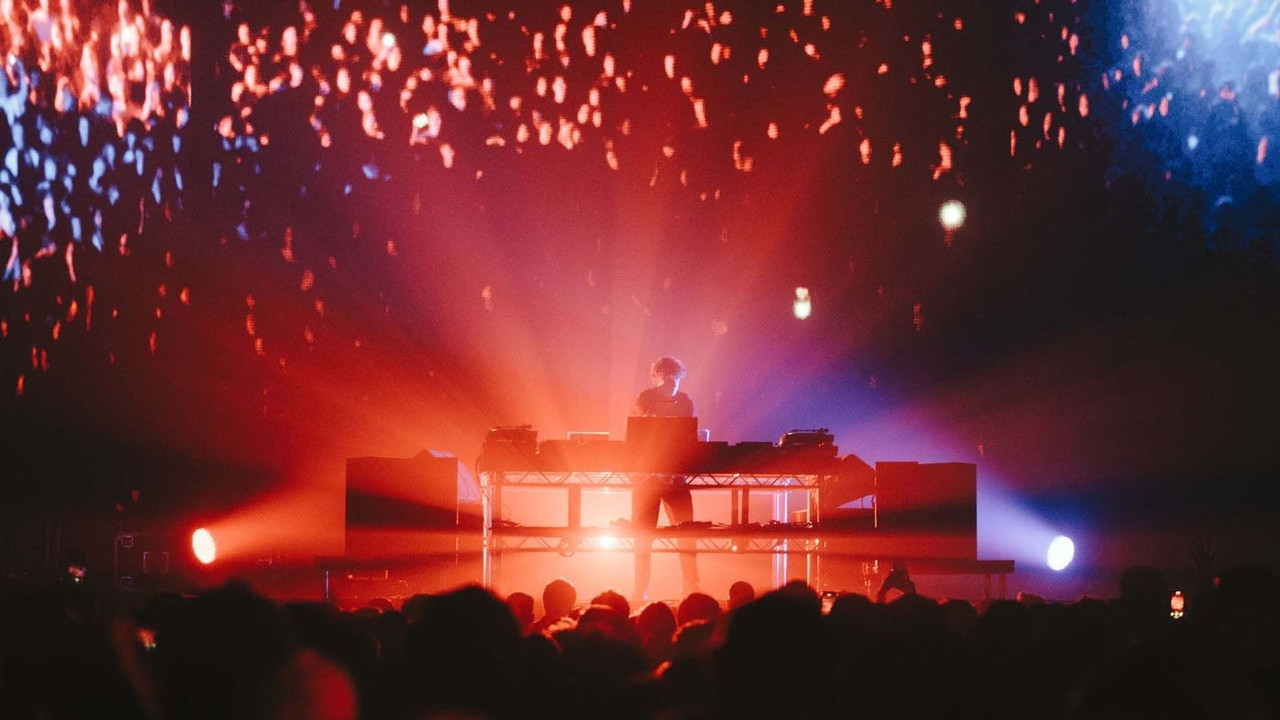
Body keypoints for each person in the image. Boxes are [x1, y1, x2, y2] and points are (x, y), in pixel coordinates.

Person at [631, 356, 699, 602]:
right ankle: (640, 589)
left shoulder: (685, 401)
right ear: (656, 377)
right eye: (667, 378)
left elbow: (685, 431)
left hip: (675, 477)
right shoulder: (645, 398)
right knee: (643, 536)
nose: (672, 383)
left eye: (676, 379)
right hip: (647, 478)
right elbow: (646, 424)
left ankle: (691, 588)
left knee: (687, 534)